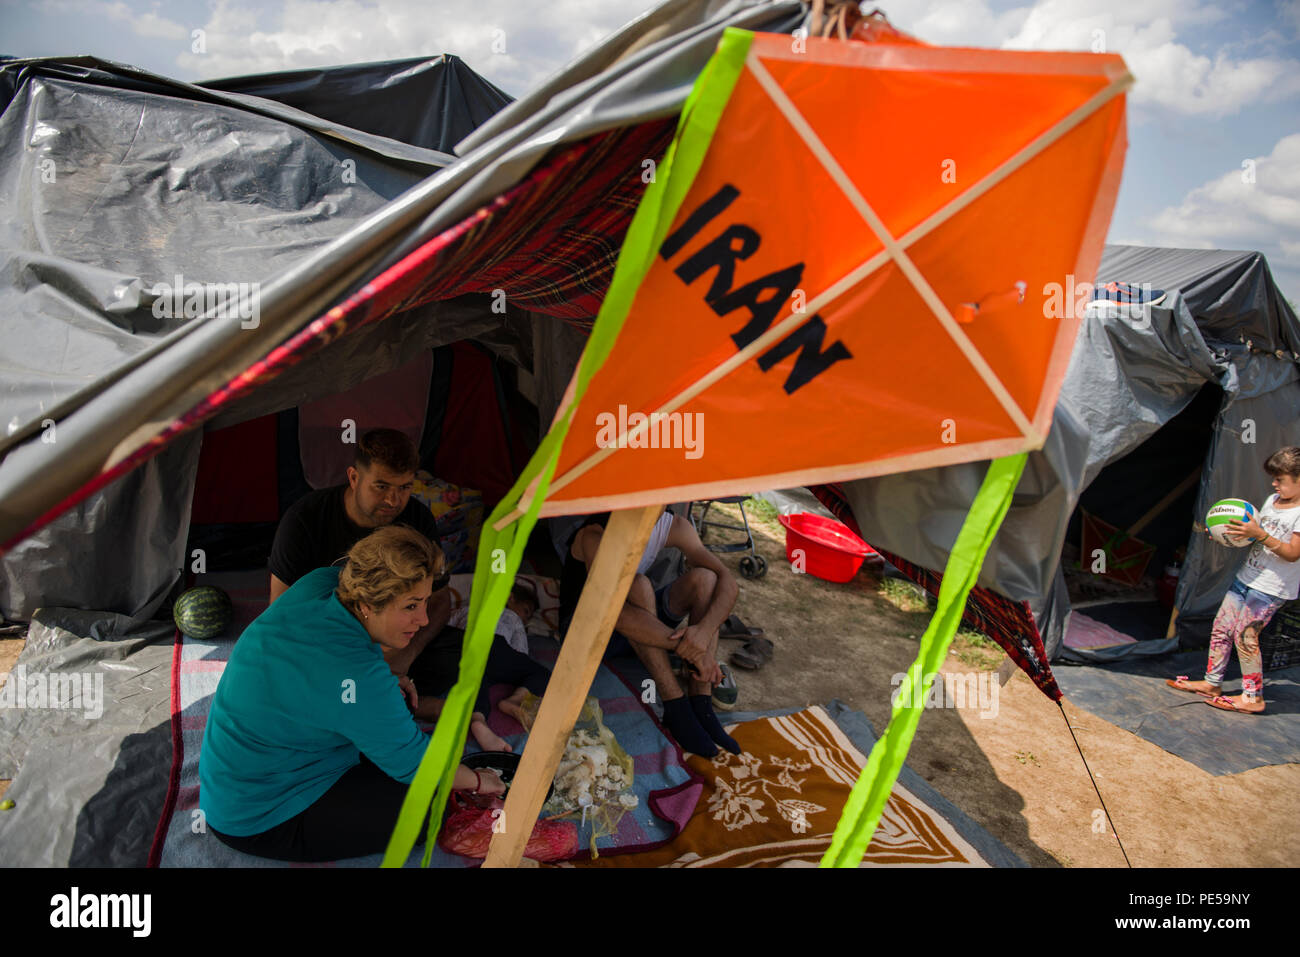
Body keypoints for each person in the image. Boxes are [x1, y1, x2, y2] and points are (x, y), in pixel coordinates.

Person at [199, 526, 505, 863]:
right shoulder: (355, 675)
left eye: (424, 601)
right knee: (430, 808)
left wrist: (383, 684)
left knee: (394, 717)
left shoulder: (323, 583)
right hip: (262, 815)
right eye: (410, 606)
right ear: (367, 603)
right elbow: (418, 765)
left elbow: (313, 670)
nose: (423, 618)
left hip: (238, 772)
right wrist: (478, 781)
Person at [559, 509, 740, 757]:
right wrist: (685, 648)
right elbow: (615, 613)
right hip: (587, 632)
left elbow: (727, 581)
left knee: (706, 579)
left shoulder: (674, 525)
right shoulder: (595, 534)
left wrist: (703, 635)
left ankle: (701, 703)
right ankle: (675, 704)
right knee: (638, 585)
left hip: (636, 627)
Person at [1167, 447, 1300, 714]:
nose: (1274, 484)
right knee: (1221, 628)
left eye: (1280, 479)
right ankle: (1211, 683)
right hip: (1247, 577)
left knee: (1245, 636)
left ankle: (1253, 697)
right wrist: (1224, 530)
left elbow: (1292, 553)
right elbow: (1251, 536)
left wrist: (1259, 534)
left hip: (1271, 588)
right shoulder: (1272, 500)